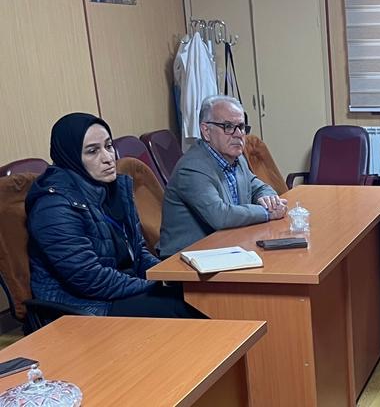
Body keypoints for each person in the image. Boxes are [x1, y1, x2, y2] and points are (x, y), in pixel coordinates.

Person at [26, 113, 201, 318]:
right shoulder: (53, 206)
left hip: (119, 288)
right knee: (189, 306)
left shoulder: (114, 188)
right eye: (93, 151)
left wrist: (169, 276)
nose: (108, 158)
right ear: (70, 156)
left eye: (108, 146)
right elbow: (90, 279)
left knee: (198, 295)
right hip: (84, 305)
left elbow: (138, 251)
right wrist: (154, 285)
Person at [158, 96, 286, 256]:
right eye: (228, 127)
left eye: (241, 127)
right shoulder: (192, 168)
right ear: (206, 131)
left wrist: (270, 200)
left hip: (228, 246)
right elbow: (220, 215)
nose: (238, 134)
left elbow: (257, 186)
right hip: (188, 259)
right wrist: (266, 212)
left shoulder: (236, 158)